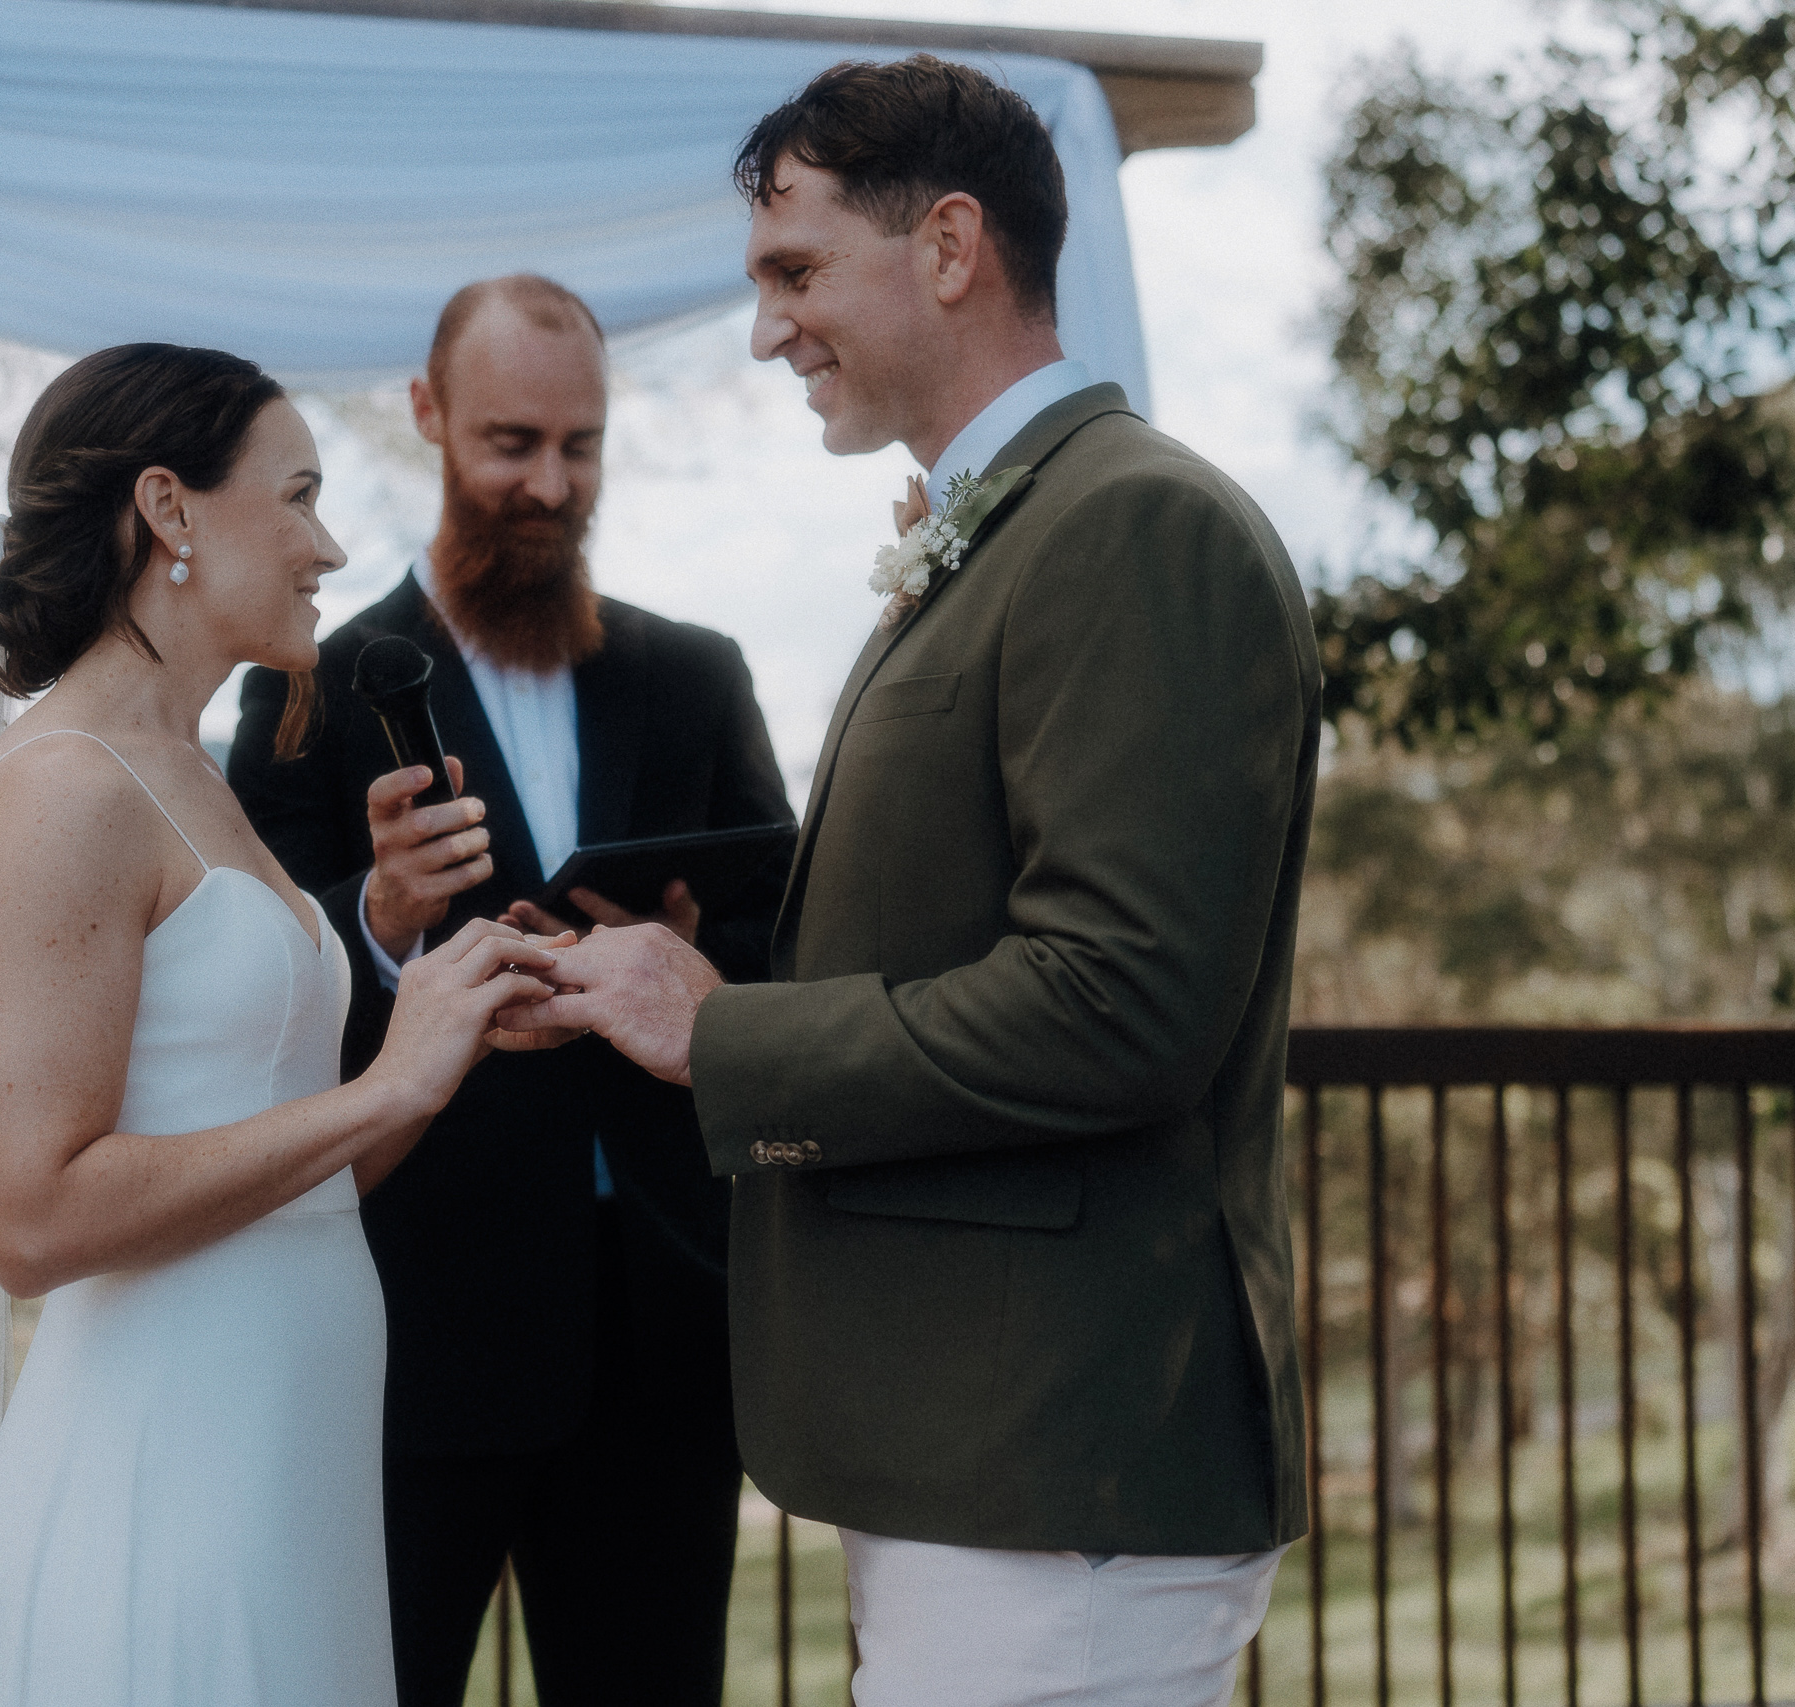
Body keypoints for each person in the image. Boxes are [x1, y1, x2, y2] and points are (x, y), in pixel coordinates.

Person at [498, 58, 1320, 1707]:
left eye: (794, 272)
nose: (766, 330)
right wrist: (697, 952)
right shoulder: (1009, 529)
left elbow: (1122, 1002)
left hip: (1056, 1462)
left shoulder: (1133, 527)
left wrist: (721, 1037)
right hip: (980, 1460)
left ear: (950, 247)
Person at [0, 344, 566, 1707]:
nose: (331, 544)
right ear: (170, 511)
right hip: (163, 1476)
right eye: (297, 495)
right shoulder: (61, 788)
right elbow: (33, 1218)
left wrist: (445, 1030)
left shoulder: (189, 773)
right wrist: (389, 1086)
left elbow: (289, 1182)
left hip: (289, 1470)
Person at [229, 276, 793, 1707]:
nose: (550, 485)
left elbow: (791, 936)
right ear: (426, 417)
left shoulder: (697, 675)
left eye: (582, 447)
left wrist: (688, 957)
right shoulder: (310, 686)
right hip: (420, 1322)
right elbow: (261, 979)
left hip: (669, 1328)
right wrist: (387, 919)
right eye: (511, 442)